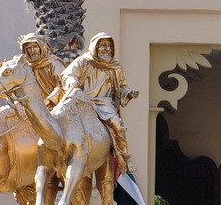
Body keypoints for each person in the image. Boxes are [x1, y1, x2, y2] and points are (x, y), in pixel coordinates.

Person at [61, 32, 139, 176]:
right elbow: (68, 74)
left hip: (104, 103)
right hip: (83, 101)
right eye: (103, 45)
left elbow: (122, 87)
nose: (107, 49)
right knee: (63, 119)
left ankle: (125, 157)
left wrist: (128, 93)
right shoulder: (84, 61)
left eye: (109, 46)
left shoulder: (115, 67)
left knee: (118, 126)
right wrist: (72, 82)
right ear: (95, 46)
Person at [17, 32, 67, 105]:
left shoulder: (54, 64)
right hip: (38, 106)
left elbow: (63, 85)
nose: (32, 50)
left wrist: (50, 100)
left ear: (41, 47)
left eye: (35, 46)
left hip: (58, 105)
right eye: (29, 48)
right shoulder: (27, 68)